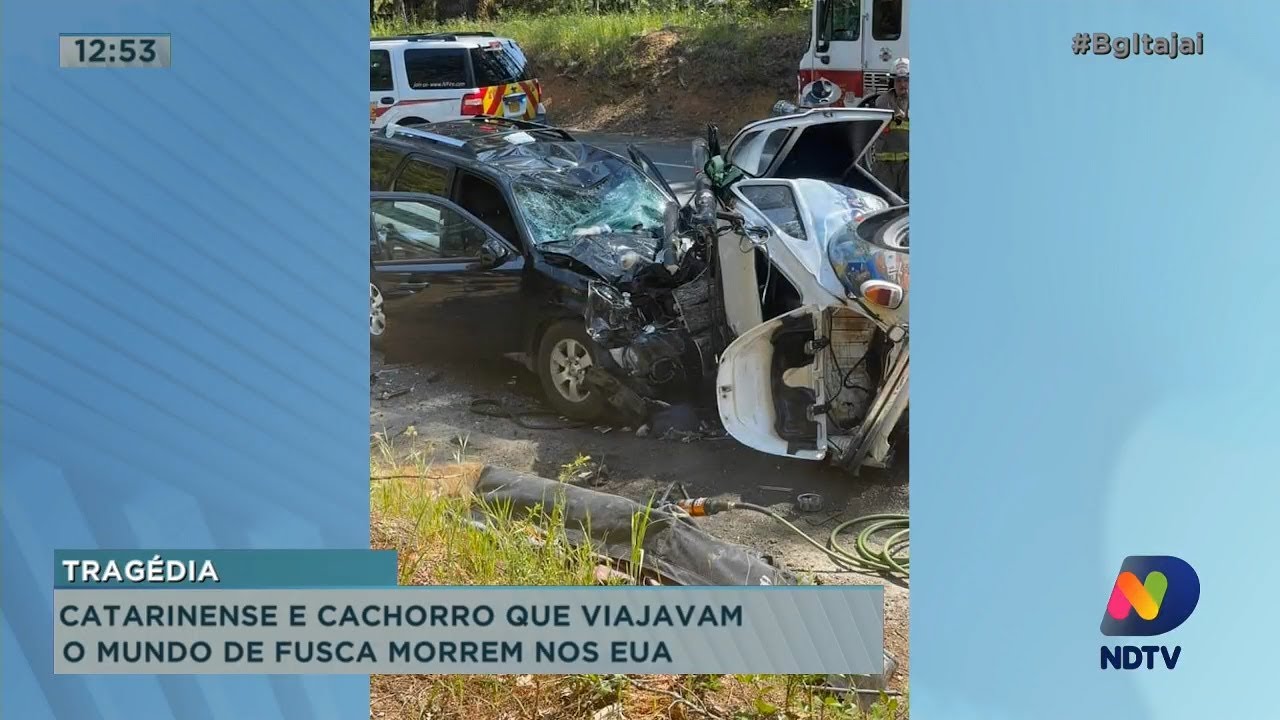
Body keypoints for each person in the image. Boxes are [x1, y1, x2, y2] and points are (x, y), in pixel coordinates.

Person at [872, 57, 909, 200]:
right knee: (885, 203)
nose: (903, 84)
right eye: (899, 80)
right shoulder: (882, 102)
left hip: (908, 166)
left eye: (906, 80)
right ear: (892, 82)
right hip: (885, 167)